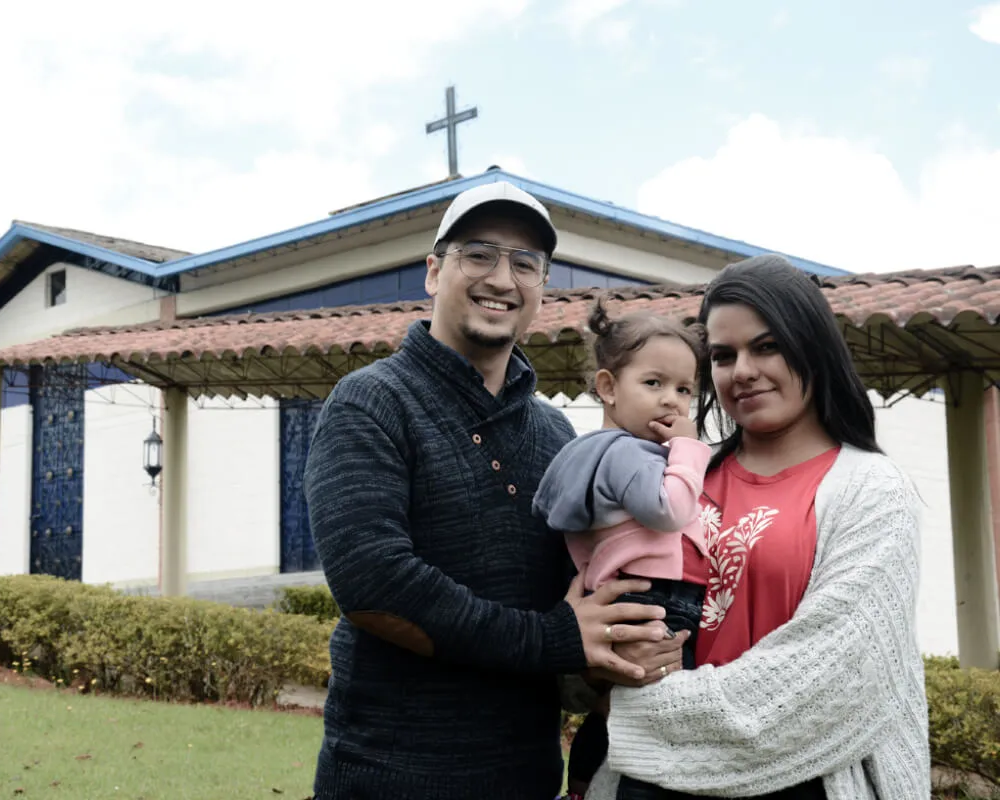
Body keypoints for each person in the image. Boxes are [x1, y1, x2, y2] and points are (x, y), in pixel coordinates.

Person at [302, 181, 673, 800]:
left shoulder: (556, 433)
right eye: (478, 254)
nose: (502, 278)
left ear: (541, 290)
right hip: (388, 780)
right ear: (432, 272)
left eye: (525, 264)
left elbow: (581, 582)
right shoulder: (371, 402)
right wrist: (551, 638)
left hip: (525, 779)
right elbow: (374, 584)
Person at [581, 254, 930, 800]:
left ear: (812, 347)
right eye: (723, 355)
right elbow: (598, 599)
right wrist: (600, 651)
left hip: (800, 781)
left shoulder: (872, 490)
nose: (742, 370)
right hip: (652, 784)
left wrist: (641, 712)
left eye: (766, 346)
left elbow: (831, 682)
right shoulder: (676, 474)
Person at [532, 299, 712, 799]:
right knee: (667, 709)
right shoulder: (628, 455)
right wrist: (691, 450)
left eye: (684, 389)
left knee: (619, 707)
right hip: (659, 595)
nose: (672, 402)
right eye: (653, 384)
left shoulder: (588, 453)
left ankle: (587, 782)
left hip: (631, 594)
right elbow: (669, 510)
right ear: (608, 387)